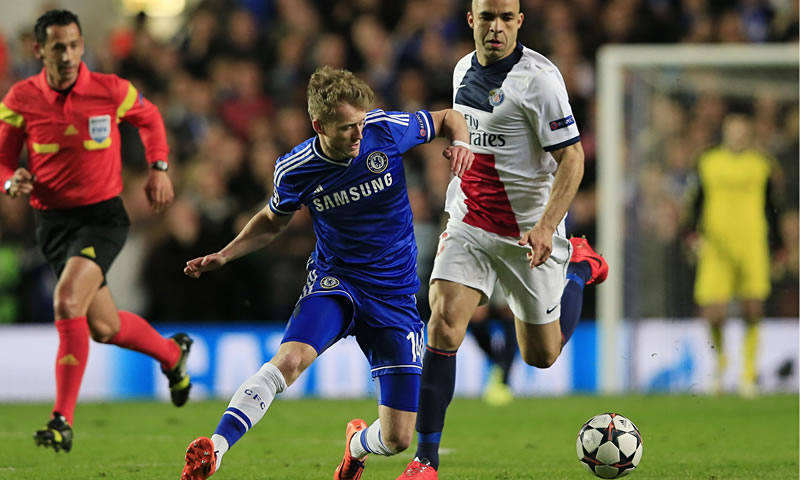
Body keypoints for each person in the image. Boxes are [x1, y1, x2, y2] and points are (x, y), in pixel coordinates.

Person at [179, 66, 473, 480]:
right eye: (347, 127)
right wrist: (226, 254)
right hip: (338, 283)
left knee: (398, 439)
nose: (358, 134)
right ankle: (217, 447)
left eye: (360, 124)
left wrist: (460, 142)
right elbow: (271, 220)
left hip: (394, 296)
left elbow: (447, 118)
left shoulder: (383, 130)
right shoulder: (295, 168)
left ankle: (355, 447)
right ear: (319, 125)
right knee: (291, 359)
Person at [397, 1, 608, 477]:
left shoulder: (541, 81)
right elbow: (475, 134)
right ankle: (424, 462)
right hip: (470, 221)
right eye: (487, 16)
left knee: (542, 356)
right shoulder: (461, 70)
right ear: (471, 20)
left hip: (528, 233)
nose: (497, 27)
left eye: (506, 18)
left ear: (519, 22)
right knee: (444, 321)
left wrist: (549, 227)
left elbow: (572, 158)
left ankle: (577, 266)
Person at [0, 9, 193, 453]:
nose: (67, 55)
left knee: (67, 299)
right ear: (39, 51)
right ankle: (171, 355)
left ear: (82, 45)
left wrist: (159, 168)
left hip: (103, 217)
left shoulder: (110, 90)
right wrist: (12, 181)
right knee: (103, 327)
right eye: (57, 47)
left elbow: (151, 119)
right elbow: (4, 161)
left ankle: (61, 419)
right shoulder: (21, 98)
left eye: (73, 45)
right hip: (51, 223)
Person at [685, 113, 781, 397]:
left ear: (748, 135)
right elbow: (696, 201)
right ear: (725, 133)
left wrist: (779, 248)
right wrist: (691, 234)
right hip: (716, 245)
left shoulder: (762, 165)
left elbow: (772, 207)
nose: (737, 136)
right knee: (714, 312)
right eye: (732, 130)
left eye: (742, 131)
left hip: (753, 244)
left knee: (753, 307)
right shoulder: (708, 162)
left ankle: (748, 374)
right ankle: (721, 362)